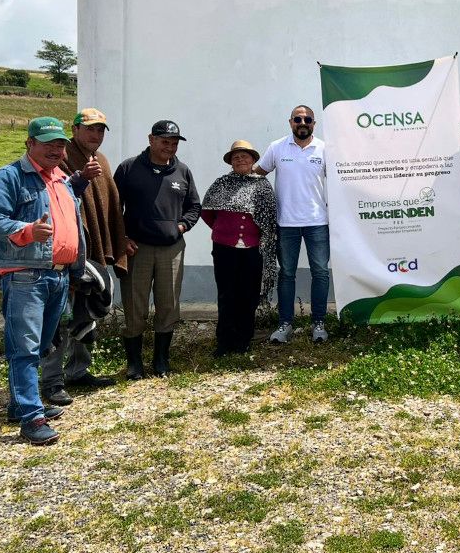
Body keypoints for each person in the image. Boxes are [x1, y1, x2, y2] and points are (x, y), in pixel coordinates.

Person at [0, 117, 97, 445]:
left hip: (57, 276)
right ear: (29, 143)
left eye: (60, 144)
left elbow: (65, 213)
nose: (55, 149)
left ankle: (20, 405)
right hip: (25, 277)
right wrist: (27, 230)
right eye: (47, 143)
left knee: (43, 345)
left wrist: (81, 182)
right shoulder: (7, 178)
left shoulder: (60, 179)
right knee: (25, 348)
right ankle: (32, 418)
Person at [38, 108, 126, 404]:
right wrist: (80, 178)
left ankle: (78, 370)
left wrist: (117, 239)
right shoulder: (60, 158)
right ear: (74, 130)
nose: (96, 135)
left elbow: (109, 204)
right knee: (60, 317)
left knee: (86, 311)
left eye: (101, 130)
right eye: (90, 129)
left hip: (94, 251)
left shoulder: (101, 160)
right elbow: (56, 198)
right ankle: (51, 380)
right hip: (68, 254)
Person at [113, 120, 202, 379]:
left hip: (171, 250)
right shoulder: (129, 168)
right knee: (135, 307)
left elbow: (194, 206)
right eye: (165, 142)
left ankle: (161, 360)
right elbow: (114, 208)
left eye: (174, 143)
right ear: (151, 139)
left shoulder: (182, 171)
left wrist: (182, 227)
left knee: (168, 305)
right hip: (136, 249)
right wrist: (122, 238)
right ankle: (134, 363)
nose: (170, 147)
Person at [254, 105, 333, 344]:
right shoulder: (277, 147)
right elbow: (258, 174)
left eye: (307, 119)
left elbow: (341, 180)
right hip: (285, 223)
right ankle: (285, 324)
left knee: (320, 273)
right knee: (286, 274)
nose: (302, 122)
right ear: (290, 122)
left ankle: (318, 323)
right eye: (298, 119)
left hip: (318, 222)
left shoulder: (325, 149)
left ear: (313, 124)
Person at [203, 140, 279, 356]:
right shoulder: (221, 183)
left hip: (253, 249)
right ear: (231, 162)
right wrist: (223, 230)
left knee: (248, 294)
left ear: (253, 160)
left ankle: (243, 339)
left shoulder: (263, 186)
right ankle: (224, 341)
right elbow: (207, 211)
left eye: (244, 156)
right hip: (224, 247)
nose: (240, 160)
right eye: (236, 157)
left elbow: (269, 218)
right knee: (227, 294)